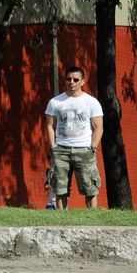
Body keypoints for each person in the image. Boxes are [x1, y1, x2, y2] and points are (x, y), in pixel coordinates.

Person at [45, 65, 103, 209]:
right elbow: (49, 126)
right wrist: (54, 147)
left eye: (75, 79)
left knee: (90, 188)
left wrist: (93, 148)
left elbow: (98, 127)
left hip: (84, 150)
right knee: (60, 188)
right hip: (61, 150)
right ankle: (62, 220)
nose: (71, 82)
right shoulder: (55, 102)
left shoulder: (91, 102)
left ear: (82, 81)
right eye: (68, 79)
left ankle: (92, 221)